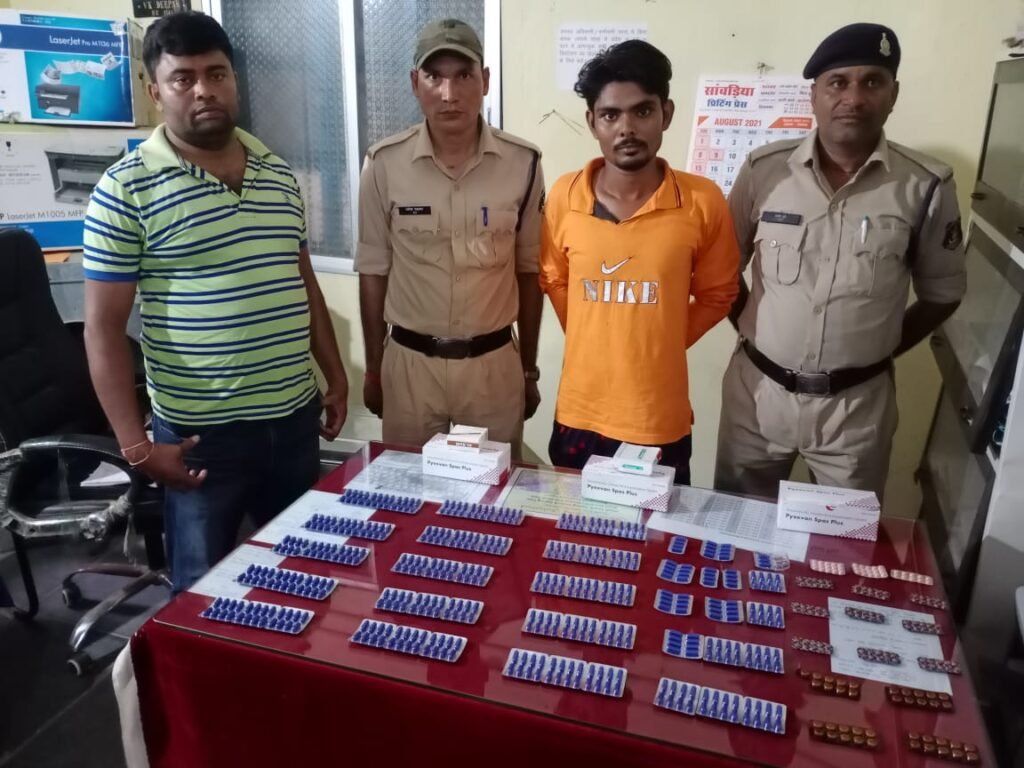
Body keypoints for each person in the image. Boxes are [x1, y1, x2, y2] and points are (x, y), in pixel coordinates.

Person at [82, 11, 349, 591]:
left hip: (293, 417)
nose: (203, 89)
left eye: (216, 73)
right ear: (156, 92)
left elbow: (302, 282)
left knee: (304, 575)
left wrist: (334, 374)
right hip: (202, 438)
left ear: (234, 80)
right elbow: (101, 327)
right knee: (203, 595)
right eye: (183, 78)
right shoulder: (124, 189)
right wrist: (136, 447)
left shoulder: (278, 174)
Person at [715, 23, 966, 501]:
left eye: (872, 82)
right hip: (758, 396)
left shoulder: (926, 185)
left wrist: (878, 347)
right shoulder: (763, 171)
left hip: (857, 410)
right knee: (738, 525)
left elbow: (943, 293)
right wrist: (756, 327)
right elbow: (719, 273)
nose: (854, 97)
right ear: (814, 96)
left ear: (894, 95)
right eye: (838, 82)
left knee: (843, 539)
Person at [539, 40, 740, 484]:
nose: (626, 128)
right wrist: (601, 336)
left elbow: (719, 294)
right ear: (592, 122)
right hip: (579, 413)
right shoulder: (565, 196)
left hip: (656, 418)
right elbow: (553, 278)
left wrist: (657, 339)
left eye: (642, 111)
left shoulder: (702, 201)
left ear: (666, 114)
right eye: (610, 115)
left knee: (657, 526)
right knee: (574, 523)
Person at [355, 19, 545, 456]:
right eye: (434, 77)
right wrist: (374, 369)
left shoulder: (523, 164)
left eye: (463, 75)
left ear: (486, 80)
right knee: (406, 486)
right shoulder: (383, 165)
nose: (448, 93)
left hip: (492, 367)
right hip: (410, 366)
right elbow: (373, 271)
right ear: (414, 83)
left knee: (494, 489)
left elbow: (530, 271)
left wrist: (529, 369)